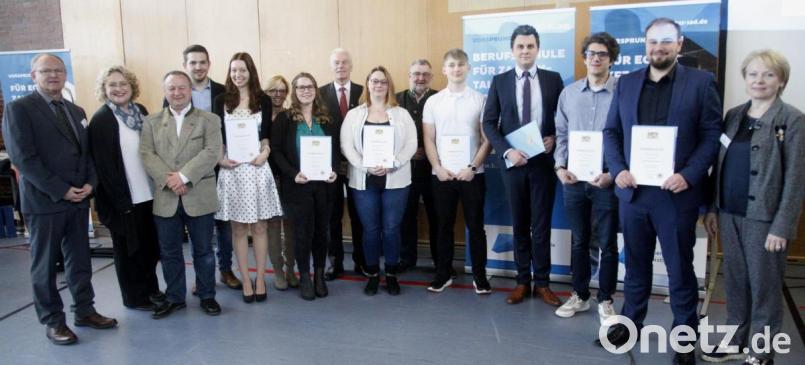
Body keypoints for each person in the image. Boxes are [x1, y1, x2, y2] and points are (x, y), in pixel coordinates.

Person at [600, 18, 722, 365]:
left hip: (676, 196)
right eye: (653, 42)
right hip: (635, 195)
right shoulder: (626, 83)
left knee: (680, 270)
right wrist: (619, 169)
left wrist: (689, 175)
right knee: (636, 267)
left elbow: (712, 135)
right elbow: (611, 133)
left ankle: (685, 337)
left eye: (667, 41)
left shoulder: (701, 82)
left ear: (680, 44)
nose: (659, 47)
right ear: (645, 45)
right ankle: (630, 324)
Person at [2, 53, 117, 345]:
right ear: (33, 76)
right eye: (46, 71)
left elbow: (86, 152)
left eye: (58, 70)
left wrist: (90, 184)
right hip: (45, 203)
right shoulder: (19, 109)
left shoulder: (75, 109)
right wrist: (61, 189)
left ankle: (85, 310)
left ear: (65, 75)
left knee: (79, 260)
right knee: (44, 266)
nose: (53, 75)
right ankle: (53, 321)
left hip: (78, 200)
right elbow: (24, 159)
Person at [701, 50, 804, 365]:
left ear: (781, 80)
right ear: (745, 79)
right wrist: (712, 209)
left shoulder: (792, 120)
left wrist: (782, 226)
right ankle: (736, 341)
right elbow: (718, 166)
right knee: (735, 281)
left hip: (765, 221)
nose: (759, 80)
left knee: (764, 288)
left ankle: (761, 351)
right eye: (753, 74)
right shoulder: (733, 115)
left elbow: (797, 179)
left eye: (768, 74)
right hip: (729, 214)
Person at [481, 25, 564, 306]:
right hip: (513, 165)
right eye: (520, 46)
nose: (525, 51)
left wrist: (554, 138)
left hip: (542, 163)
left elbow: (562, 119)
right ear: (513, 50)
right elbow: (489, 123)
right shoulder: (500, 81)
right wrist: (507, 152)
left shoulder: (553, 80)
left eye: (530, 46)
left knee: (541, 225)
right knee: (519, 224)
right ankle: (521, 282)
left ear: (538, 49)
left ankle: (542, 283)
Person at [140, 70, 224, 318]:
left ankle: (207, 295)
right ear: (165, 92)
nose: (177, 93)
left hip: (199, 194)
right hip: (166, 197)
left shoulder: (209, 120)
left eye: (182, 88)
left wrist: (183, 177)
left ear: (190, 90)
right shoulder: (151, 122)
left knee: (204, 251)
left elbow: (211, 151)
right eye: (171, 88)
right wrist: (171, 180)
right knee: (169, 252)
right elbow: (146, 154)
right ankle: (175, 297)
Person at [553, 32, 620, 324]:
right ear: (584, 58)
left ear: (611, 59)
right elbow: (561, 135)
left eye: (602, 54)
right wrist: (559, 167)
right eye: (591, 54)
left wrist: (613, 174)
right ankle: (580, 295)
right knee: (579, 241)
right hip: (574, 179)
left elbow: (628, 137)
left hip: (607, 180)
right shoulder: (568, 94)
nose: (595, 58)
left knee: (608, 244)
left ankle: (605, 299)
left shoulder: (623, 92)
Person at [165, 44, 241, 291]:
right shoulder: (175, 93)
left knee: (224, 224)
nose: (198, 67)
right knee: (200, 230)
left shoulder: (223, 92)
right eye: (193, 63)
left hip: (221, 166)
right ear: (185, 65)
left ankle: (226, 270)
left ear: (209, 64)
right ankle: (202, 278)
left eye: (202, 62)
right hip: (187, 171)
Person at [88, 65, 163, 311]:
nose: (118, 89)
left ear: (132, 87)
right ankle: (134, 298)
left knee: (149, 248)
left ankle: (151, 291)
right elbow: (104, 168)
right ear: (104, 89)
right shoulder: (102, 120)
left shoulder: (140, 111)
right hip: (123, 200)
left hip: (148, 193)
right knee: (128, 251)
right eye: (112, 85)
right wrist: (121, 203)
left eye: (123, 84)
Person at [213, 52, 283, 303]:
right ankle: (245, 280)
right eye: (233, 70)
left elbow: (266, 136)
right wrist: (220, 160)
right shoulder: (221, 99)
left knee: (261, 226)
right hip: (232, 171)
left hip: (256, 168)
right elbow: (218, 138)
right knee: (239, 228)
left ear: (251, 71)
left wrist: (265, 152)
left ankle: (261, 278)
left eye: (242, 70)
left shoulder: (262, 100)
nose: (238, 74)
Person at [341, 66, 417, 296]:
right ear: (367, 84)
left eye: (383, 82)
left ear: (389, 85)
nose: (378, 85)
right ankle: (373, 273)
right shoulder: (354, 114)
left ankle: (391, 273)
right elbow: (346, 146)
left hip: (396, 179)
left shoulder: (401, 114)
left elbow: (411, 143)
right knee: (371, 229)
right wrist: (365, 165)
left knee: (392, 228)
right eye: (374, 81)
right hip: (364, 180)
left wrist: (394, 162)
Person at [422, 49, 491, 294]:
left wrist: (472, 167)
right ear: (444, 70)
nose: (456, 69)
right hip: (442, 176)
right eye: (451, 65)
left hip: (473, 175)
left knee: (476, 226)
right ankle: (443, 274)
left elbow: (486, 139)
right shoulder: (433, 102)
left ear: (468, 68)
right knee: (443, 226)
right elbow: (429, 139)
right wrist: (437, 168)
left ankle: (480, 277)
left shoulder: (480, 99)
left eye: (461, 65)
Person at [271, 72, 340, 300]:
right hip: (298, 185)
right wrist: (292, 174)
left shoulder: (327, 118)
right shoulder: (284, 119)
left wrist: (333, 171)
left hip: (324, 186)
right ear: (294, 91)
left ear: (315, 89)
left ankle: (319, 274)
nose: (305, 91)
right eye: (300, 87)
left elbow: (336, 149)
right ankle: (305, 277)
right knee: (302, 234)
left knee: (322, 232)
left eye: (309, 86)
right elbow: (278, 152)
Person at [319, 48, 366, 279]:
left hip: (359, 164)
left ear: (351, 66)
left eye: (345, 62)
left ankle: (361, 261)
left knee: (359, 215)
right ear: (331, 66)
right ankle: (334, 262)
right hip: (330, 167)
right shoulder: (319, 94)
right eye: (336, 62)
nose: (341, 66)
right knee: (332, 216)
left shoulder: (363, 92)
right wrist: (336, 162)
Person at [395, 59, 439, 273]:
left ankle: (440, 260)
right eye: (416, 74)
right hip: (405, 168)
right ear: (409, 76)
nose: (420, 78)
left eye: (425, 74)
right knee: (406, 216)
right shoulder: (396, 100)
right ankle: (406, 258)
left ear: (431, 77)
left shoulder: (441, 98)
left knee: (437, 215)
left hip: (434, 169)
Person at [264, 75, 298, 290]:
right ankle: (277, 270)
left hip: (288, 177)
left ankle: (290, 269)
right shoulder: (259, 117)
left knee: (291, 224)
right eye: (273, 90)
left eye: (281, 90)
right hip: (265, 177)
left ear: (287, 93)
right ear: (267, 93)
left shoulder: (291, 117)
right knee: (273, 225)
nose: (277, 94)